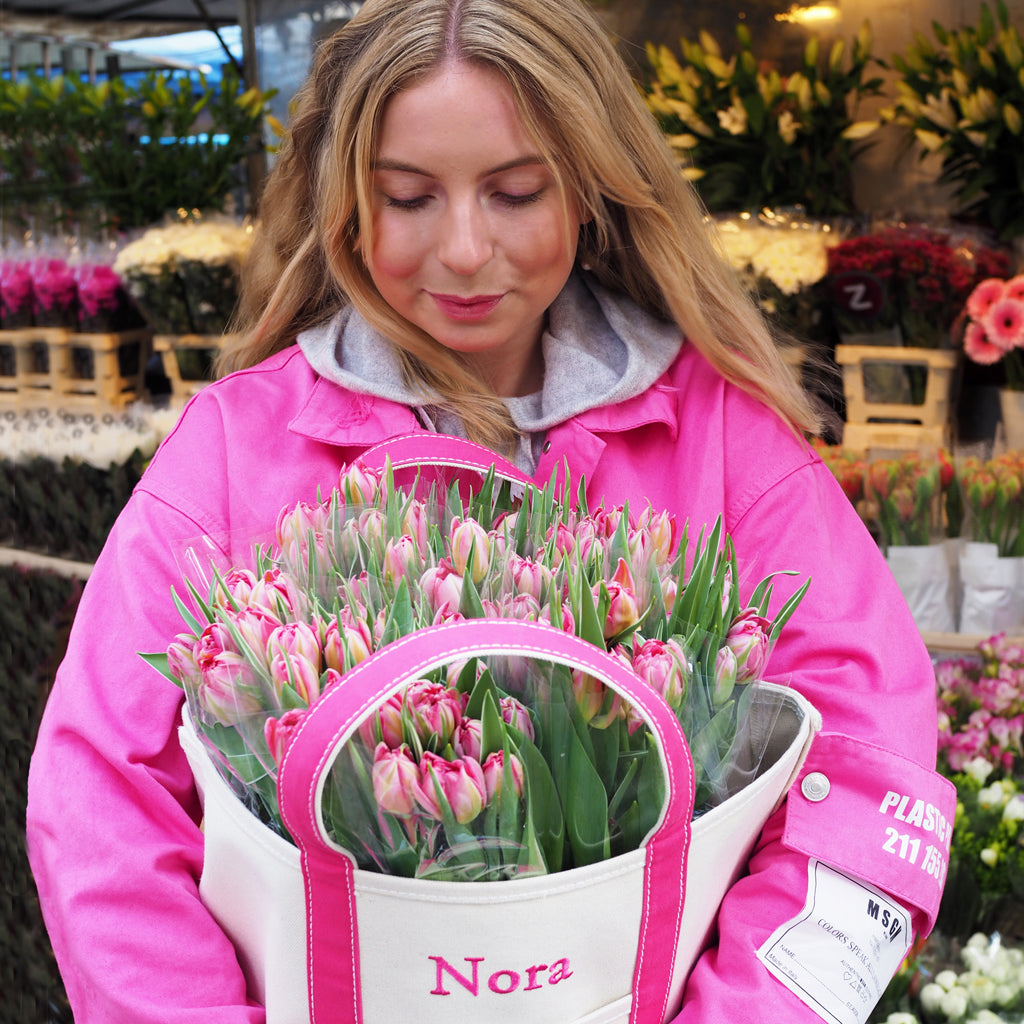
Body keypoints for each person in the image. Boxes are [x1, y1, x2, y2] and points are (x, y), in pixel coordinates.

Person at [27, 0, 954, 1021]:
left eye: (515, 192)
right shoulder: (239, 450)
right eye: (408, 197)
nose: (464, 250)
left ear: (595, 188)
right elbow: (103, 800)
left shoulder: (721, 438)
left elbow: (869, 767)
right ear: (343, 204)